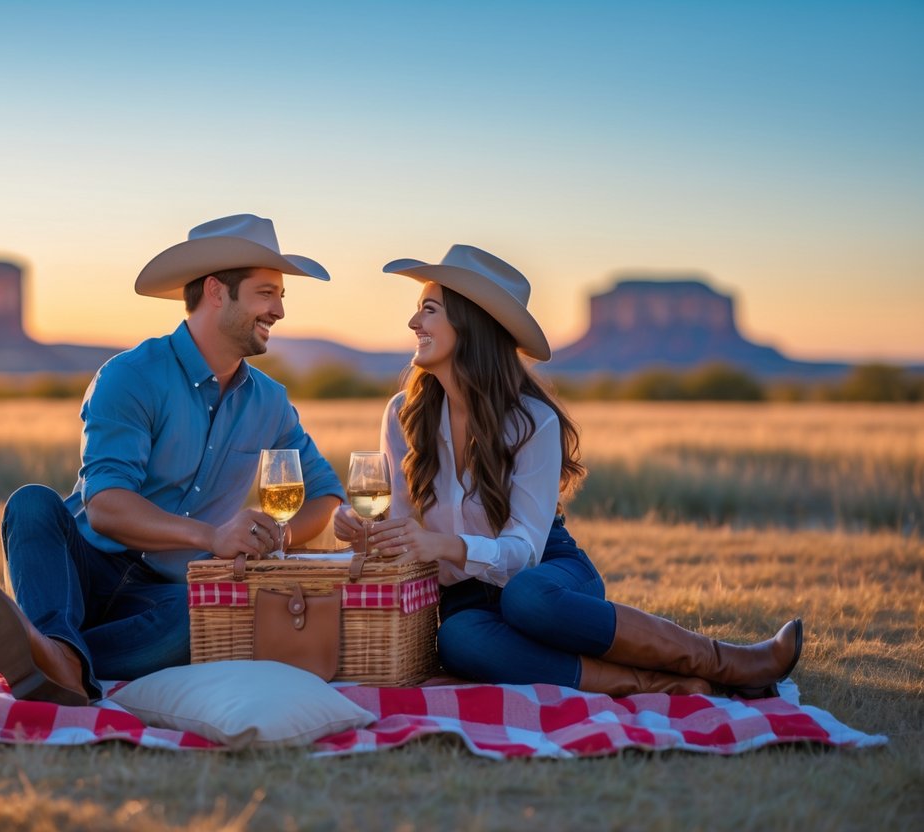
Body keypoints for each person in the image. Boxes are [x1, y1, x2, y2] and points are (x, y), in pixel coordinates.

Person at [333, 244, 802, 697]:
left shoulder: (533, 420)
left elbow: (523, 551)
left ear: (470, 321)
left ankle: (727, 661)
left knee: (526, 599)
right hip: (466, 595)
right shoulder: (403, 415)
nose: (413, 321)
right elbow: (401, 523)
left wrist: (446, 544)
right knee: (459, 641)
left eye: (429, 309)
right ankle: (654, 684)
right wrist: (366, 532)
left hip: (548, 571)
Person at [0, 214, 345, 705]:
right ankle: (55, 646)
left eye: (280, 296)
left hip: (167, 595)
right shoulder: (129, 376)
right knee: (32, 505)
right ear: (216, 291)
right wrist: (211, 536)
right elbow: (105, 505)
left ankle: (54, 656)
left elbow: (325, 494)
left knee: (203, 622)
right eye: (266, 293)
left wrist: (279, 535)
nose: (278, 310)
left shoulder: (270, 402)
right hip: (81, 569)